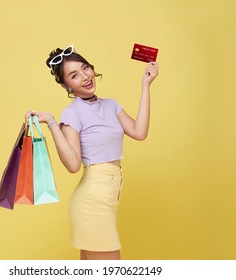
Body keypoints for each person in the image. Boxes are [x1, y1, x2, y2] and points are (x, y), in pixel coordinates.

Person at [25, 44, 159, 260]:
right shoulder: (73, 113)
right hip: (92, 202)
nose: (86, 77)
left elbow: (139, 132)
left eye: (85, 68)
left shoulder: (111, 105)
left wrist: (146, 85)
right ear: (65, 86)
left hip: (109, 198)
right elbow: (73, 165)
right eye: (74, 75)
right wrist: (51, 122)